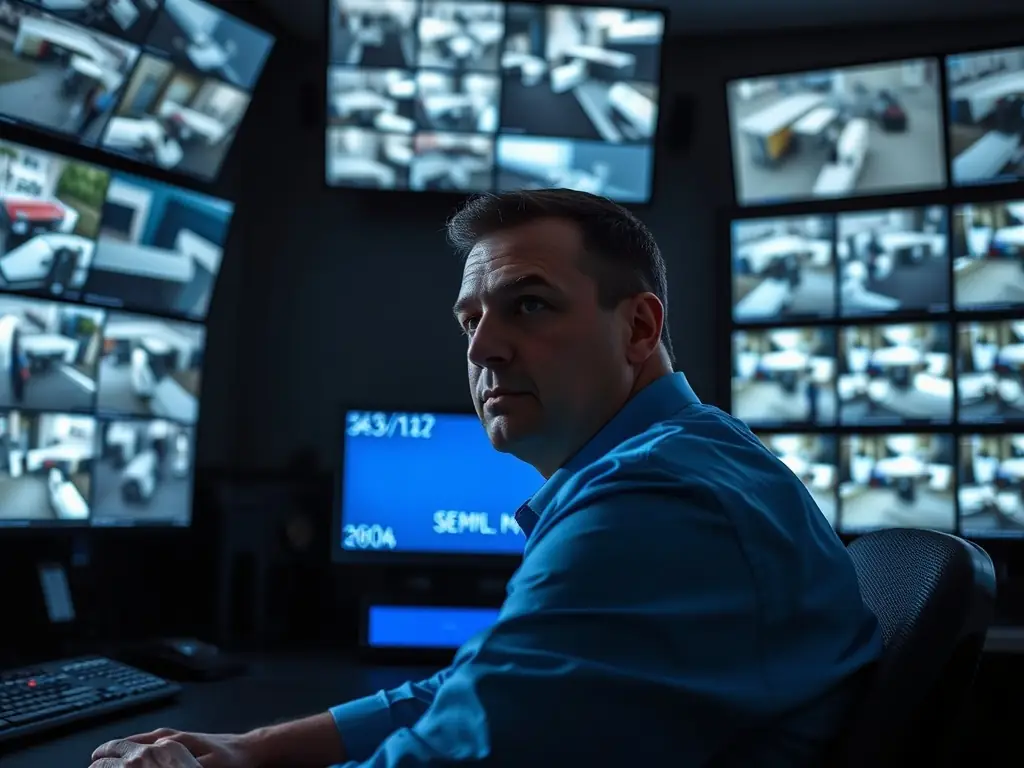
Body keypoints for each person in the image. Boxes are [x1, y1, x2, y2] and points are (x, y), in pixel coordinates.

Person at [89, 189, 882, 768]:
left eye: (528, 307)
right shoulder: (689, 457)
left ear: (639, 327)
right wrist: (247, 752)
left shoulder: (657, 502)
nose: (482, 349)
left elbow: (449, 759)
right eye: (472, 319)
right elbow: (478, 690)